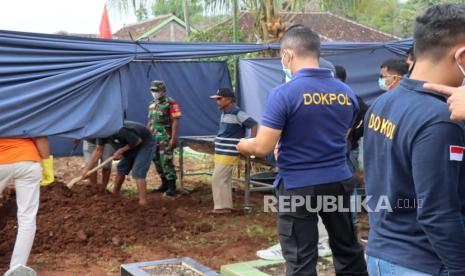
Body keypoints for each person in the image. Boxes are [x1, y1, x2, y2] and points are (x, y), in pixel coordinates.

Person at [237, 25, 367, 275]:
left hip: (299, 184)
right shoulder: (346, 93)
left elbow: (263, 146)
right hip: (338, 180)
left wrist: (244, 145)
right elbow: (343, 135)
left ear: (287, 55)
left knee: (301, 256)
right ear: (317, 54)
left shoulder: (284, 93)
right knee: (347, 248)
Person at [363, 4, 465, 275]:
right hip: (424, 261)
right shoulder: (442, 118)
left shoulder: (382, 103)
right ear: (462, 56)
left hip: (381, 253)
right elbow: (438, 212)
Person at [0, 137, 52, 274]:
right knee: (27, 218)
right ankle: (17, 268)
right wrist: (47, 164)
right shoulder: (26, 113)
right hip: (28, 159)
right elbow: (40, 136)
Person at [209, 87, 257, 215]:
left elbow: (254, 125)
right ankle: (225, 206)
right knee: (224, 179)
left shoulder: (237, 112)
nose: (217, 102)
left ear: (229, 99)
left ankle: (222, 207)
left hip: (228, 151)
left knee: (218, 178)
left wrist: (250, 141)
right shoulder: (225, 112)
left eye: (219, 99)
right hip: (222, 150)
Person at [83, 121, 155, 205]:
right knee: (121, 168)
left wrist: (120, 151)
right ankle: (115, 195)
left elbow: (137, 141)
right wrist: (87, 169)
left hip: (145, 143)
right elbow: (98, 151)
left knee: (138, 170)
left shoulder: (119, 129)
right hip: (130, 143)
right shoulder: (101, 134)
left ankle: (142, 201)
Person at [147, 80, 182, 197]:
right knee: (156, 161)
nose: (154, 93)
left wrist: (173, 138)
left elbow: (175, 121)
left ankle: (172, 187)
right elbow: (150, 122)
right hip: (153, 138)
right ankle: (164, 184)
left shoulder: (171, 103)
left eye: (156, 90)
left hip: (165, 138)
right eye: (152, 90)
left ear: (163, 91)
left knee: (166, 161)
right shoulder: (152, 104)